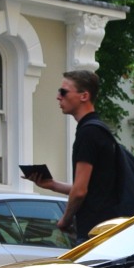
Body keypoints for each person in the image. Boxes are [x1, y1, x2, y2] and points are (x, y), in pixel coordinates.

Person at [30, 70, 119, 244]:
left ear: (84, 96)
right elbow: (92, 188)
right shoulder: (97, 129)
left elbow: (80, 191)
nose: (58, 97)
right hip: (104, 231)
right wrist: (53, 185)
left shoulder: (88, 133)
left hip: (94, 233)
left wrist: (65, 219)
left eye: (63, 92)